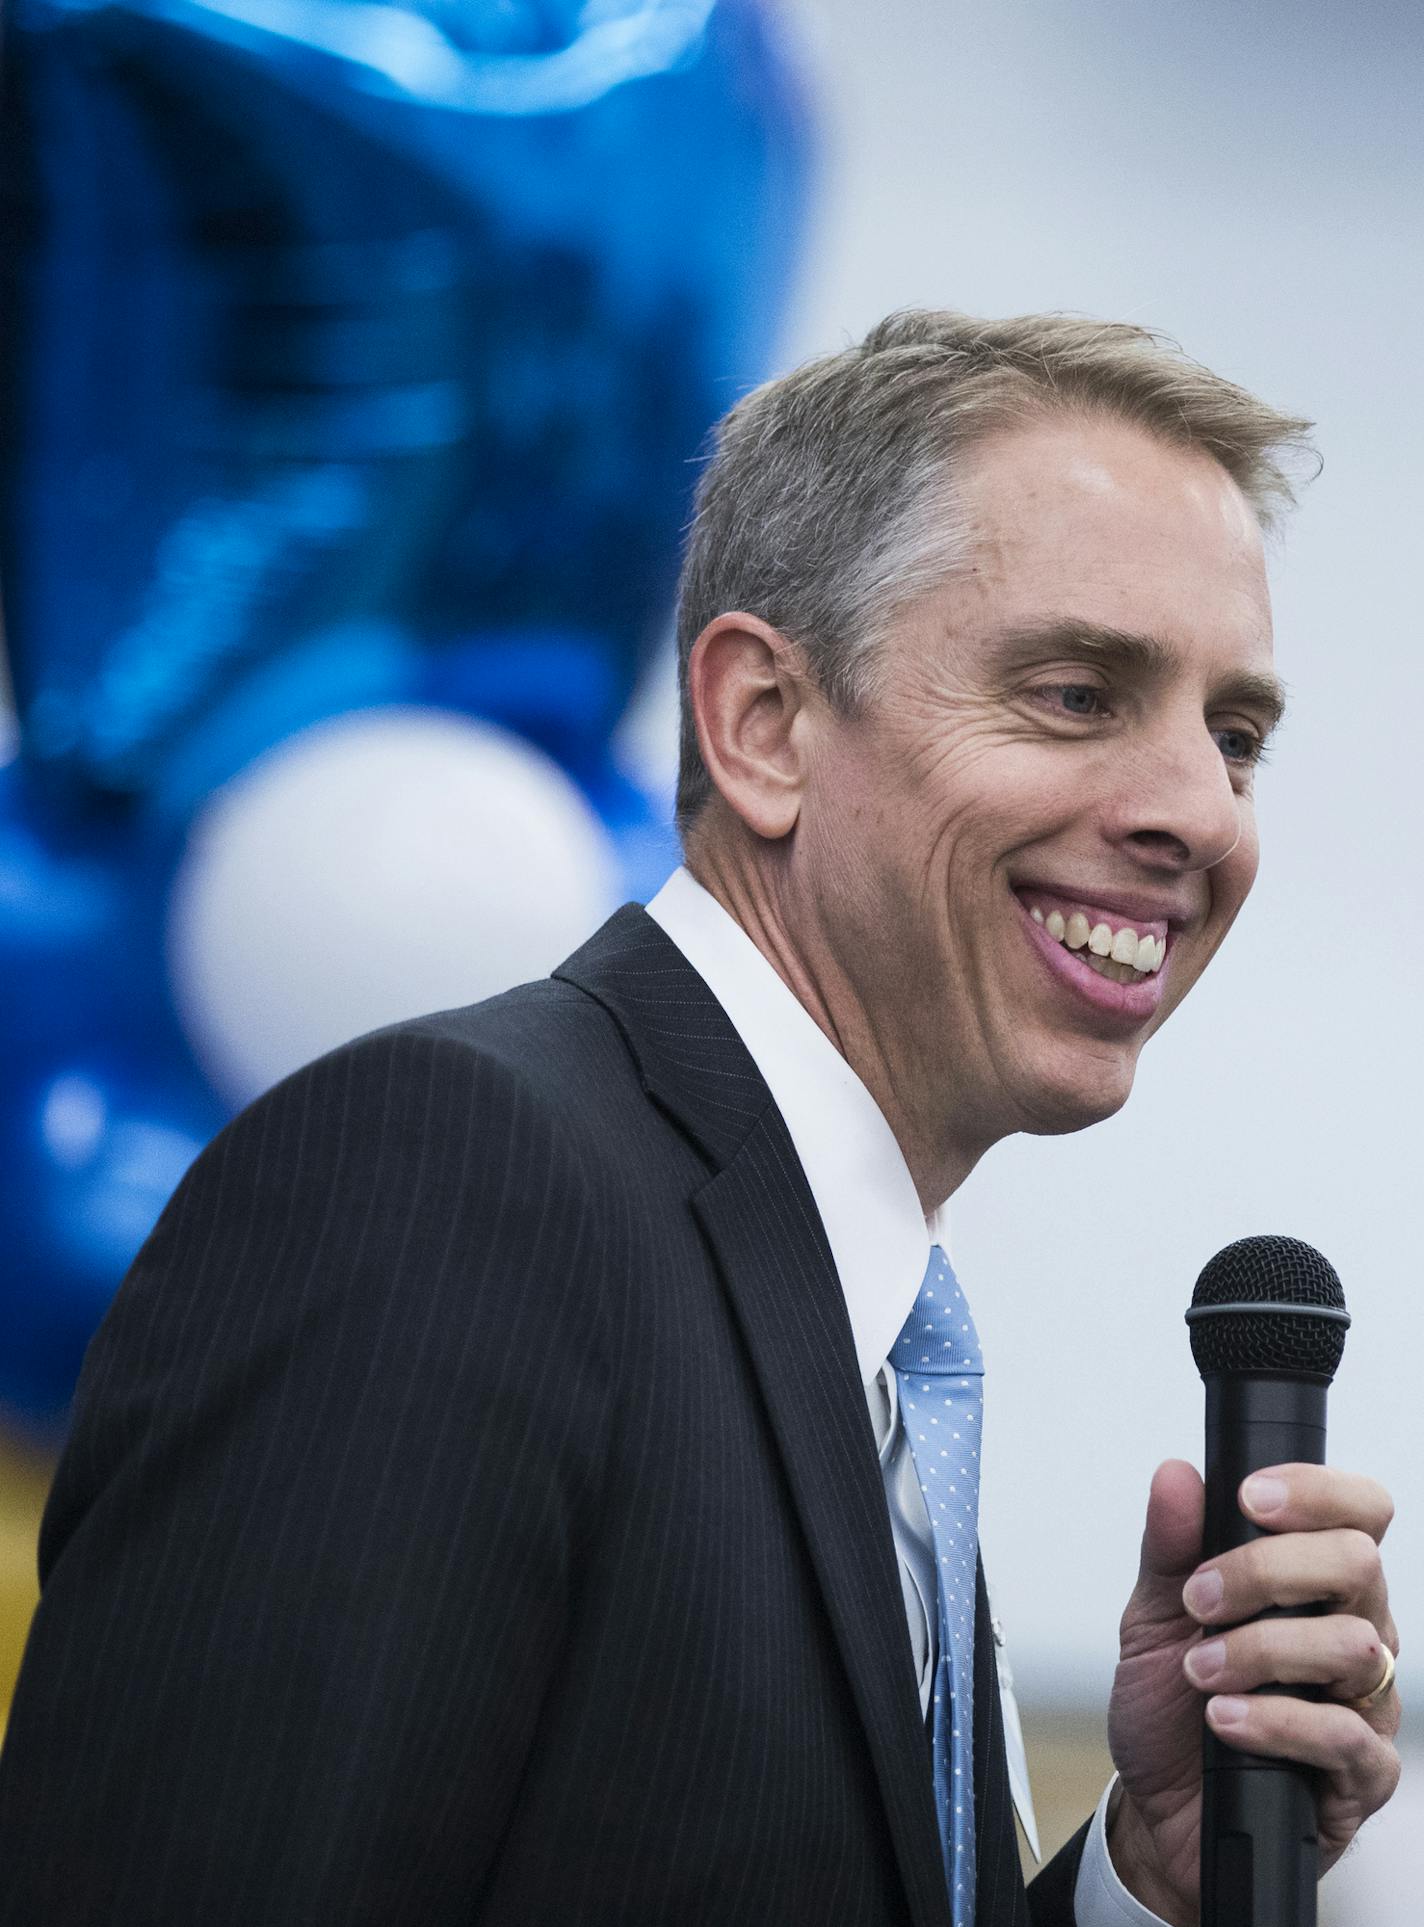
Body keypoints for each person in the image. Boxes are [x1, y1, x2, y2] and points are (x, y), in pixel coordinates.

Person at [0, 311, 1400, 1925]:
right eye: (1079, 693)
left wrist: (1143, 1877)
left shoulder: (851, 1327)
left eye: (1236, 738)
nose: (1197, 815)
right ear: (763, 724)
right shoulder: (449, 1181)